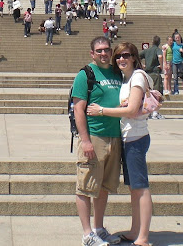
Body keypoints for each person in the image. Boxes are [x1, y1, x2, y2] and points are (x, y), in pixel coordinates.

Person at [87, 42, 154, 246]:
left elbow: (132, 110)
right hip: (127, 136)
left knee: (140, 187)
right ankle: (135, 230)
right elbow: (130, 106)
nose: (121, 59)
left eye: (125, 55)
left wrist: (102, 111)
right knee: (134, 188)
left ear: (134, 56)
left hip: (136, 138)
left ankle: (142, 237)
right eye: (118, 56)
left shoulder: (138, 77)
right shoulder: (127, 79)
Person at [71, 36, 123, 246]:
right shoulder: (85, 75)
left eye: (107, 50)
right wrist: (85, 141)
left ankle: (98, 228)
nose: (104, 53)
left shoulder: (117, 73)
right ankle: (87, 234)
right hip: (94, 136)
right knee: (86, 186)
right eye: (99, 50)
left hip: (115, 136)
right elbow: (78, 109)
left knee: (103, 186)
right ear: (92, 53)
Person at [140, 35, 165, 119]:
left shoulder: (147, 50)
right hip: (155, 73)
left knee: (148, 93)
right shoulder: (157, 50)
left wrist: (142, 65)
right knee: (156, 92)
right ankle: (155, 112)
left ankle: (148, 112)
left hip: (147, 74)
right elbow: (160, 56)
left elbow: (137, 56)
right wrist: (161, 65)